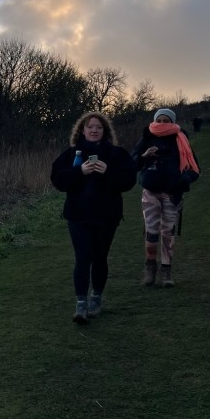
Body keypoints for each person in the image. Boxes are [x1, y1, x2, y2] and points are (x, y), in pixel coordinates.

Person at [51, 112, 137, 324]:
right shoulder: (72, 154)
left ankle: (96, 298)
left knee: (99, 258)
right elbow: (58, 180)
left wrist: (108, 171)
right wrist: (80, 171)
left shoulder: (116, 154)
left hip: (107, 217)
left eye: (98, 127)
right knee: (82, 258)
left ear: (105, 131)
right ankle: (81, 304)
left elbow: (129, 181)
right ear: (82, 130)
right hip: (78, 216)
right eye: (90, 127)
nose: (94, 130)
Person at [131, 108, 201, 287]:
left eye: (166, 120)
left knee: (168, 232)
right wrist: (144, 156)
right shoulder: (147, 137)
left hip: (172, 193)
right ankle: (150, 268)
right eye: (159, 120)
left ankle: (166, 270)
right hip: (150, 192)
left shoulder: (181, 138)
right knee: (151, 231)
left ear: (172, 122)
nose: (162, 124)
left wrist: (182, 180)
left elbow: (195, 169)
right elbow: (132, 164)